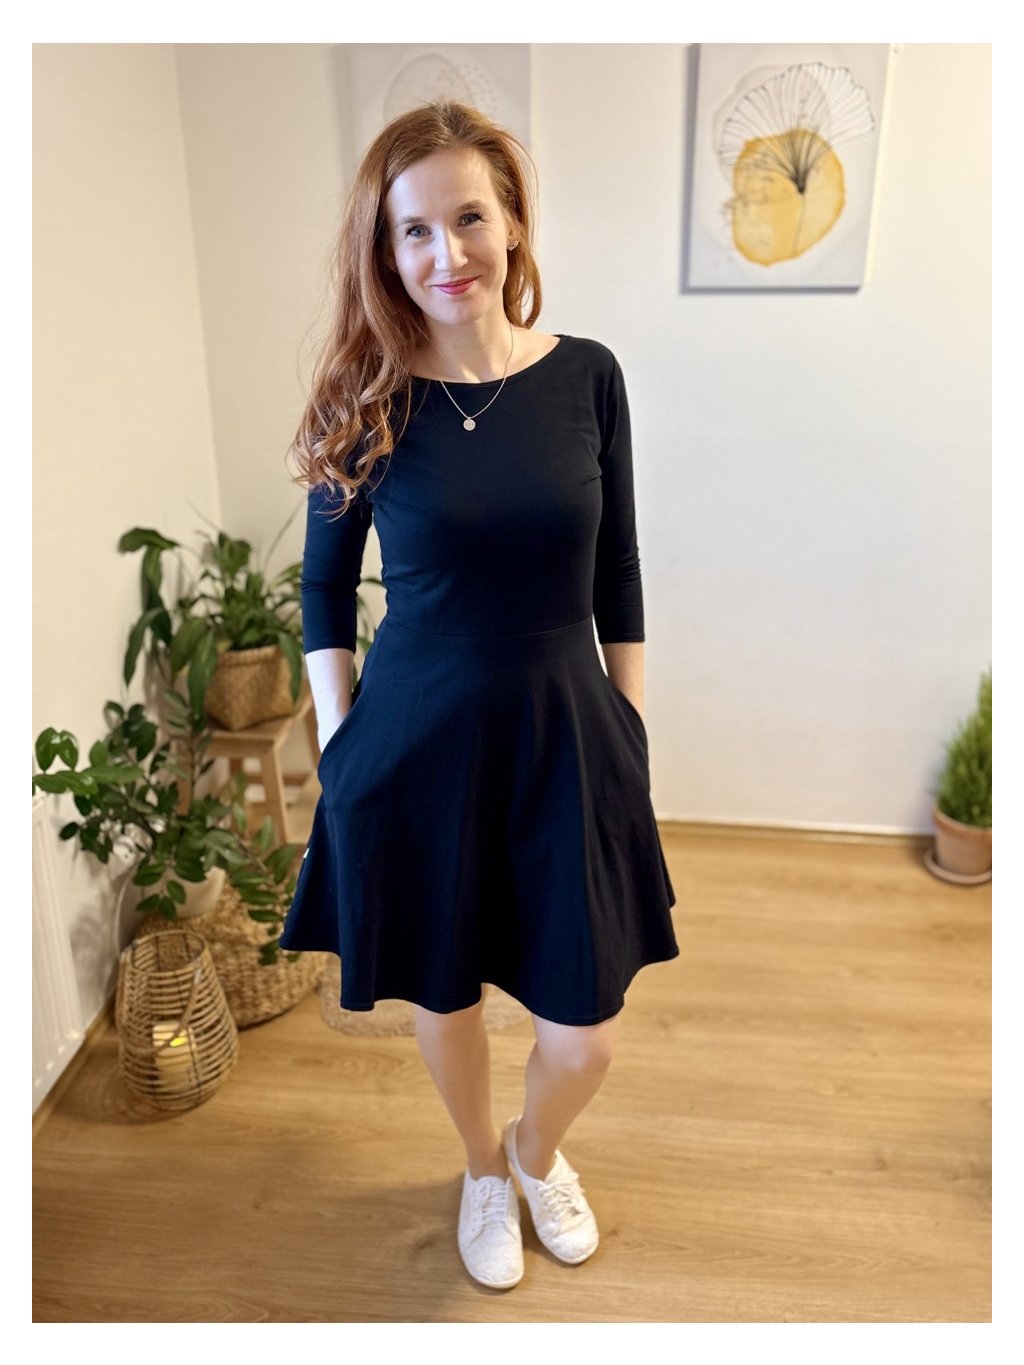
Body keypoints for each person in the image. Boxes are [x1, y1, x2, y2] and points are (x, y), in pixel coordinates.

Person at [279, 100, 679, 1290]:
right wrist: (342, 740)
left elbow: (618, 567)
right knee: (445, 990)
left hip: (565, 732)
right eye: (413, 230)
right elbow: (321, 587)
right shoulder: (366, 398)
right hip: (418, 739)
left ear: (511, 224)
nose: (445, 253)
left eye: (468, 218)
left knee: (584, 1035)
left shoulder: (588, 377)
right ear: (384, 250)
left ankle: (533, 1149)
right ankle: (480, 1171)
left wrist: (628, 721)